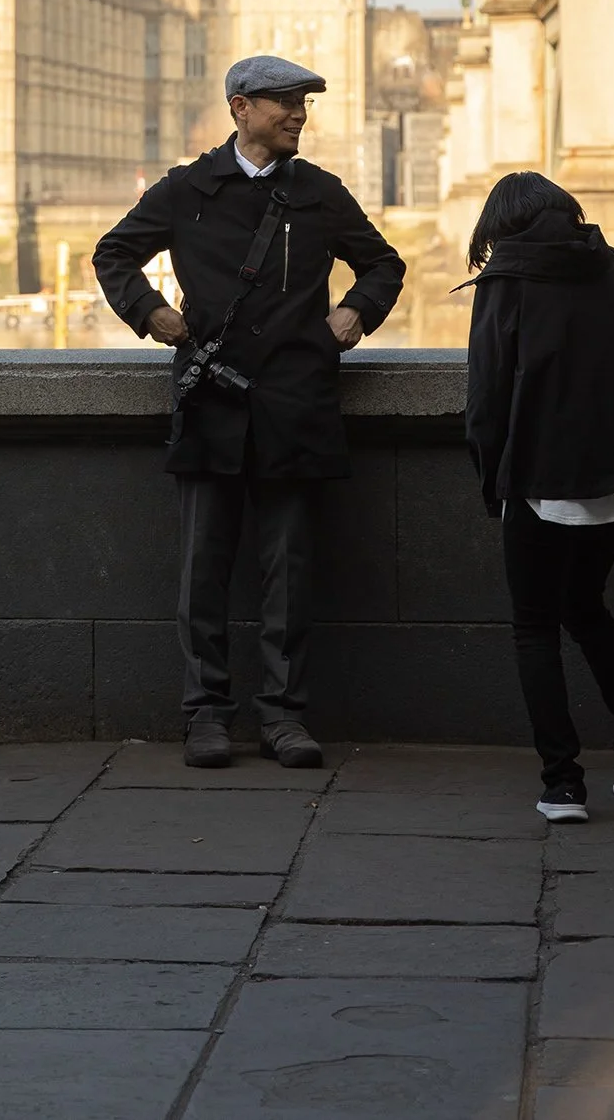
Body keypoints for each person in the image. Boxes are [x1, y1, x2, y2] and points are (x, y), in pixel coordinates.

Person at [93, 54, 405, 770]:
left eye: (301, 103)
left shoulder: (319, 193)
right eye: (283, 103)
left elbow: (383, 264)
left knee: (288, 573)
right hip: (211, 401)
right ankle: (205, 715)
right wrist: (151, 313)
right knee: (203, 568)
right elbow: (114, 256)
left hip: (296, 403)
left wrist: (354, 313)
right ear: (240, 108)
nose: (297, 114)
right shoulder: (186, 188)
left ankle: (283, 717)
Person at [465, 169, 614, 824]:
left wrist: (492, 480)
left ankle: (562, 781)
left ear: (499, 228)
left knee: (533, 624)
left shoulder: (507, 281)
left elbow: (486, 396)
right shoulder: (611, 269)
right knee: (584, 605)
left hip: (541, 480)